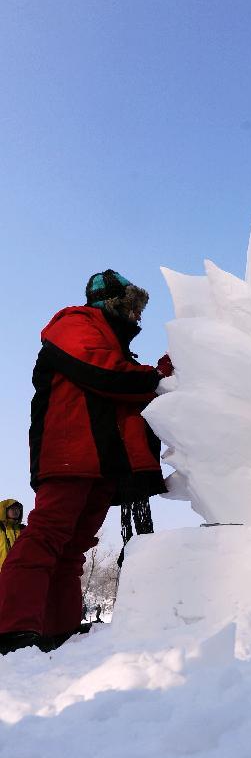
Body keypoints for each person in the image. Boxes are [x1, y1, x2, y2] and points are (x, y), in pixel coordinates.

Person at [0, 269, 173, 656]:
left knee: (74, 547)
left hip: (101, 462)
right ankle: (12, 628)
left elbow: (122, 389)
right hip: (69, 455)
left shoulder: (111, 345)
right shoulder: (74, 325)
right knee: (47, 537)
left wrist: (159, 376)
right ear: (114, 303)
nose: (138, 318)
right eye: (132, 308)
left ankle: (55, 632)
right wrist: (153, 377)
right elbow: (103, 374)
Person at [0, 500, 25, 571]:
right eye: (12, 509)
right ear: (4, 510)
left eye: (18, 509)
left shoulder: (23, 529)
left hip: (20, 571)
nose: (16, 511)